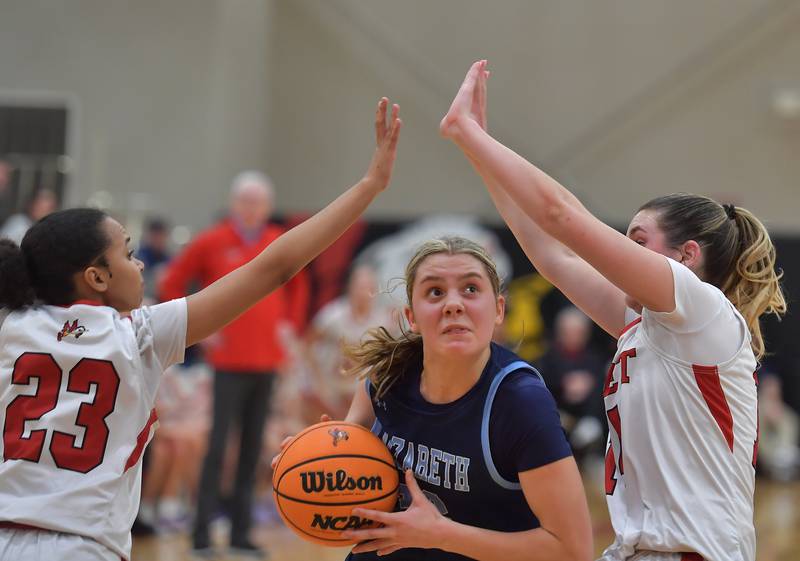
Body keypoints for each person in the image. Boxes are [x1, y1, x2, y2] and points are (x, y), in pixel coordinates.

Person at [0, 97, 402, 561]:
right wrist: (371, 184)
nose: (137, 265)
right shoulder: (142, 334)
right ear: (97, 278)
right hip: (79, 547)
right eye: (128, 254)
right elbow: (275, 268)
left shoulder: (12, 325)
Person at [440, 60, 787, 561]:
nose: (623, 252)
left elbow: (563, 216)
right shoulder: (649, 326)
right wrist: (481, 152)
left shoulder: (701, 307)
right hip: (638, 550)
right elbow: (552, 255)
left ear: (687, 256)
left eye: (638, 240)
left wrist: (472, 137)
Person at [274, 237, 593, 561]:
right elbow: (345, 465)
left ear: (498, 310)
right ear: (411, 316)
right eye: (435, 292)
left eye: (470, 289)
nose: (453, 304)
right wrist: (309, 460)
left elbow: (572, 550)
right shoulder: (386, 375)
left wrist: (443, 536)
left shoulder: (520, 402)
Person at [159, 169, 312, 556]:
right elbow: (172, 282)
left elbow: (300, 287)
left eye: (258, 202)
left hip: (268, 361)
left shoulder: (277, 242)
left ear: (268, 207)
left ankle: (242, 533)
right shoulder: (211, 241)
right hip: (227, 361)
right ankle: (201, 534)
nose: (250, 208)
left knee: (250, 450)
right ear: (233, 204)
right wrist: (199, 329)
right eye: (245, 201)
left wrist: (289, 328)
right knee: (216, 449)